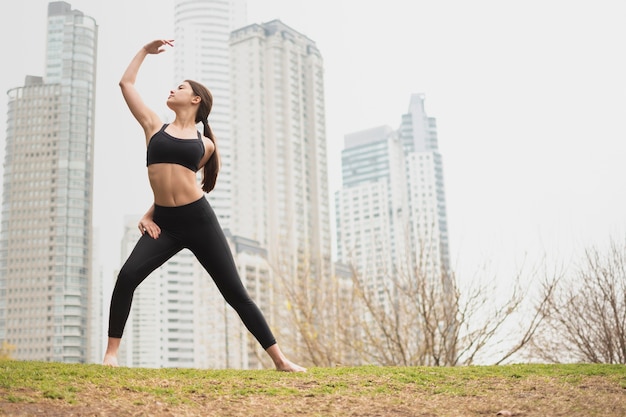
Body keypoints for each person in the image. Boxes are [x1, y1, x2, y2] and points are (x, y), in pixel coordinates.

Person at [102, 39, 306, 372]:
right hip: (164, 224)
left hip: (198, 221)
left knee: (235, 293)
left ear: (195, 99)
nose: (172, 90)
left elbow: (184, 184)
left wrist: (153, 209)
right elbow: (126, 84)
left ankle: (281, 361)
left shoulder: (205, 144)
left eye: (179, 87)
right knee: (127, 276)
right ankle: (111, 354)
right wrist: (143, 50)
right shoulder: (155, 127)